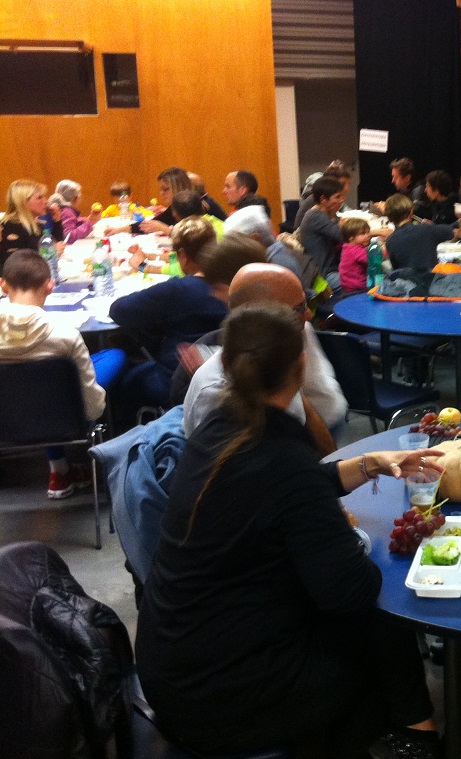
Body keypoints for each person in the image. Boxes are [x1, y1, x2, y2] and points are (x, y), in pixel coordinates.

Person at [136, 302, 442, 759]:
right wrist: (352, 542)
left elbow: (274, 489)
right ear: (301, 364)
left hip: (172, 668)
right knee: (381, 614)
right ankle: (416, 738)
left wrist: (364, 465)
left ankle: (415, 727)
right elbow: (351, 592)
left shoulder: (219, 428)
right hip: (228, 700)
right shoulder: (285, 461)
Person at [0, 250, 125, 498]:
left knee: (39, 389)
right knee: (115, 356)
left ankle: (59, 469)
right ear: (50, 286)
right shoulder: (65, 335)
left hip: (7, 421)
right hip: (63, 415)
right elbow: (92, 408)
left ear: (3, 285)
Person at [181, 262, 348, 443]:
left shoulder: (286, 342)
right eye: (298, 308)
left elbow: (305, 411)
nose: (308, 315)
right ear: (259, 318)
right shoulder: (217, 394)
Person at [110, 219, 263, 410]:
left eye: (218, 289)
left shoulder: (181, 289)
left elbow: (119, 311)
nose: (215, 294)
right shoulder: (258, 301)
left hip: (178, 384)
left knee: (126, 379)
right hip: (215, 387)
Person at [298, 176, 348, 290]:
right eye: (337, 197)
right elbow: (344, 235)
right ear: (323, 199)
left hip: (334, 267)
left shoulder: (327, 212)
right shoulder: (315, 216)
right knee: (364, 282)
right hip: (324, 274)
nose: (341, 200)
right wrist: (377, 232)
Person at [383, 195, 454, 272]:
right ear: (411, 212)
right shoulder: (427, 229)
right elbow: (451, 232)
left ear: (389, 219)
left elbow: (396, 270)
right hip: (431, 281)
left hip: (407, 282)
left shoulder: (390, 242)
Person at [1, 180, 61, 271]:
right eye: (39, 197)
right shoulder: (10, 226)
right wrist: (51, 253)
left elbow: (54, 244)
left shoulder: (35, 224)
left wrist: (57, 222)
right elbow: (15, 266)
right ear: (23, 202)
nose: (46, 201)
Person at [293, 161, 351, 228]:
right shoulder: (316, 198)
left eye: (348, 184)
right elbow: (330, 227)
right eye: (343, 184)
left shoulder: (331, 197)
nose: (347, 188)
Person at [339, 217, 375, 293]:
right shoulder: (355, 250)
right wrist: (383, 249)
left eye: (368, 232)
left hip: (347, 286)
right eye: (363, 233)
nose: (368, 235)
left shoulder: (347, 247)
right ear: (351, 238)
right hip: (357, 288)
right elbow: (373, 259)